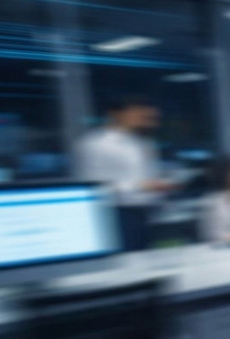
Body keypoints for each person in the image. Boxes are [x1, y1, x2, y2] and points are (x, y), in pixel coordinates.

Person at [75, 95, 174, 251]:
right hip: (116, 215)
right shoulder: (95, 144)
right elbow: (94, 186)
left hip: (148, 212)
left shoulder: (143, 143)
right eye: (142, 116)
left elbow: (149, 175)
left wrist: (162, 185)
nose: (149, 122)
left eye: (151, 118)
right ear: (116, 114)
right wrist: (139, 186)